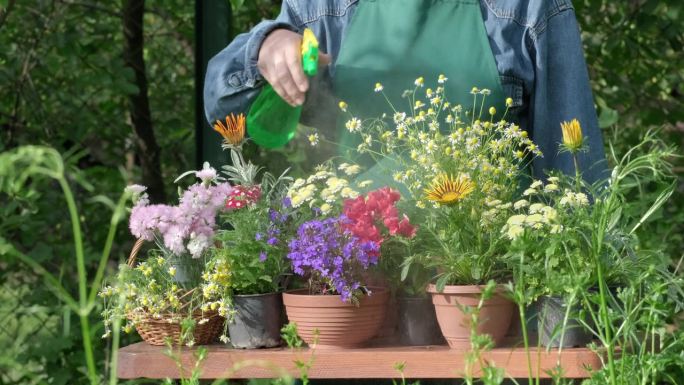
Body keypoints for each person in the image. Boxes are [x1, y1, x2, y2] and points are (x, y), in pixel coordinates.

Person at [204, 0, 607, 184]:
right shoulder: (324, 10)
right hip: (353, 287)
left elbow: (574, 176)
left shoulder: (526, 9)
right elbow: (224, 110)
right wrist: (268, 44)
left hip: (488, 293)